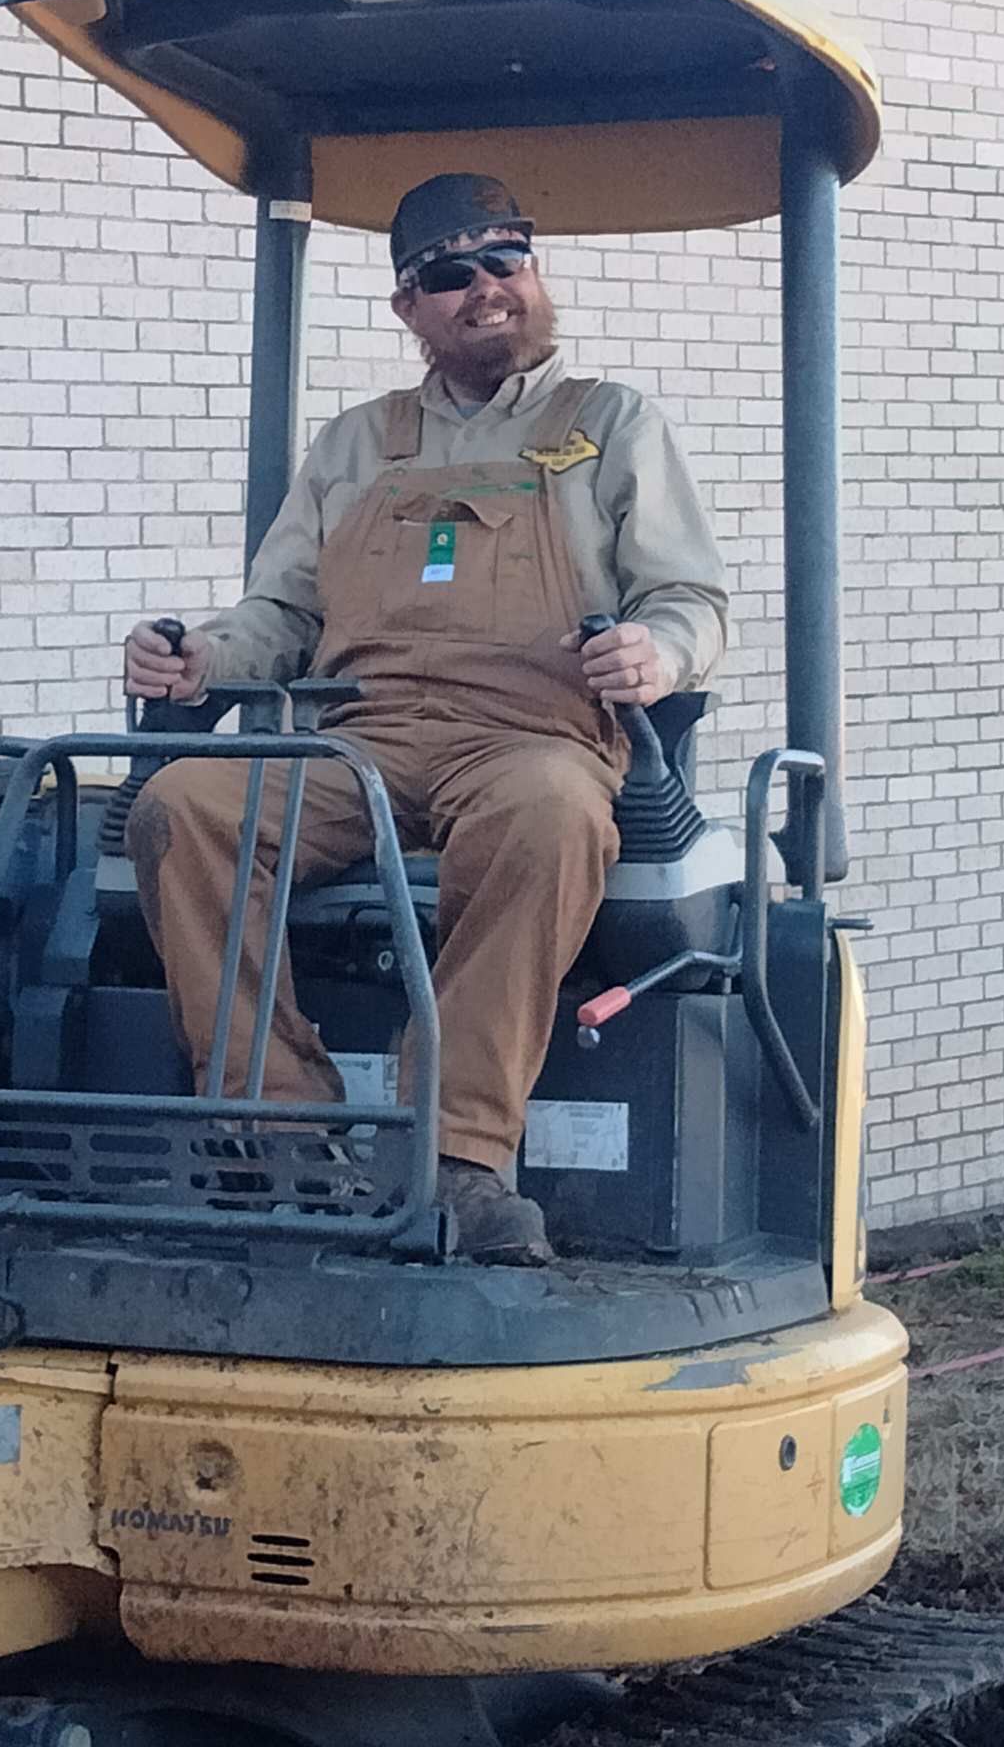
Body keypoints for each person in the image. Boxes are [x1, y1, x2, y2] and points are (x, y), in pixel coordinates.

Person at [124, 173, 730, 1265]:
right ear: (409, 307)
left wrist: (659, 649)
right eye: (450, 276)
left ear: (535, 276)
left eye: (507, 261)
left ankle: (456, 1156)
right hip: (361, 734)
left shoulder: (608, 424)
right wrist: (203, 656)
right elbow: (282, 612)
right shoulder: (358, 444)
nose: (485, 289)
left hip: (533, 735)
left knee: (551, 816)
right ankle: (282, 1133)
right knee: (183, 804)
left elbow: (688, 600)